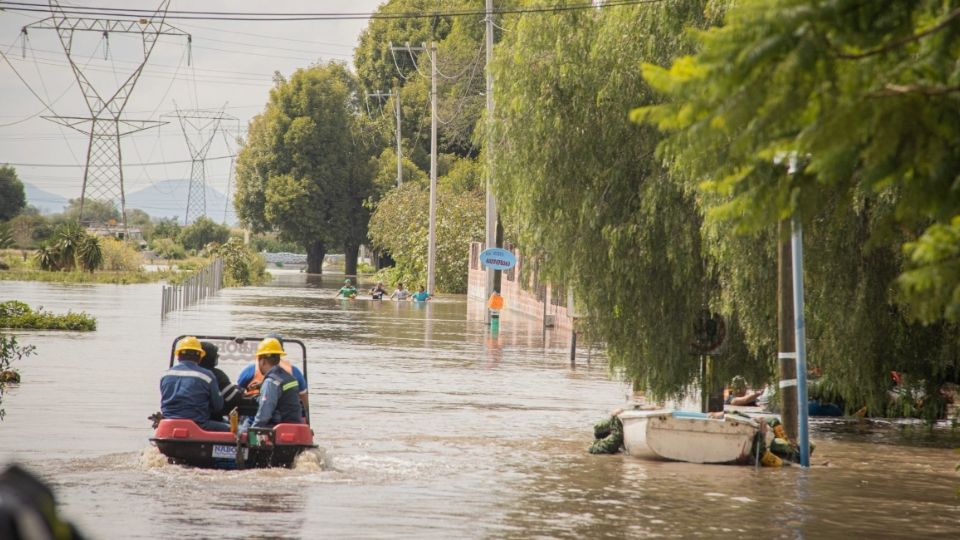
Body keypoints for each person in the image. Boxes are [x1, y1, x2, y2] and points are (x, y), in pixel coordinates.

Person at [160, 336, 230, 432]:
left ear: (178, 355)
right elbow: (218, 406)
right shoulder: (207, 376)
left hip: (169, 424)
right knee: (237, 429)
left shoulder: (165, 375)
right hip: (199, 425)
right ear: (199, 357)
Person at [236, 333, 309, 414]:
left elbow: (237, 395)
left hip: (256, 418)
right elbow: (304, 400)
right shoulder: (294, 371)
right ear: (281, 352)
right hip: (285, 417)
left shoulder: (250, 370)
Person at [244, 337, 304, 431]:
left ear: (262, 361)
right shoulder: (289, 378)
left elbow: (264, 414)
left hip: (278, 430)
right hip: (293, 427)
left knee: (241, 430)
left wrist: (253, 430)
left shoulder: (271, 382)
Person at [200, 341, 246, 420]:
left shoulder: (188, 372)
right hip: (208, 419)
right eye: (216, 355)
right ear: (210, 357)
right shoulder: (216, 375)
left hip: (187, 418)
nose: (217, 356)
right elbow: (233, 398)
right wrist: (240, 390)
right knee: (238, 430)